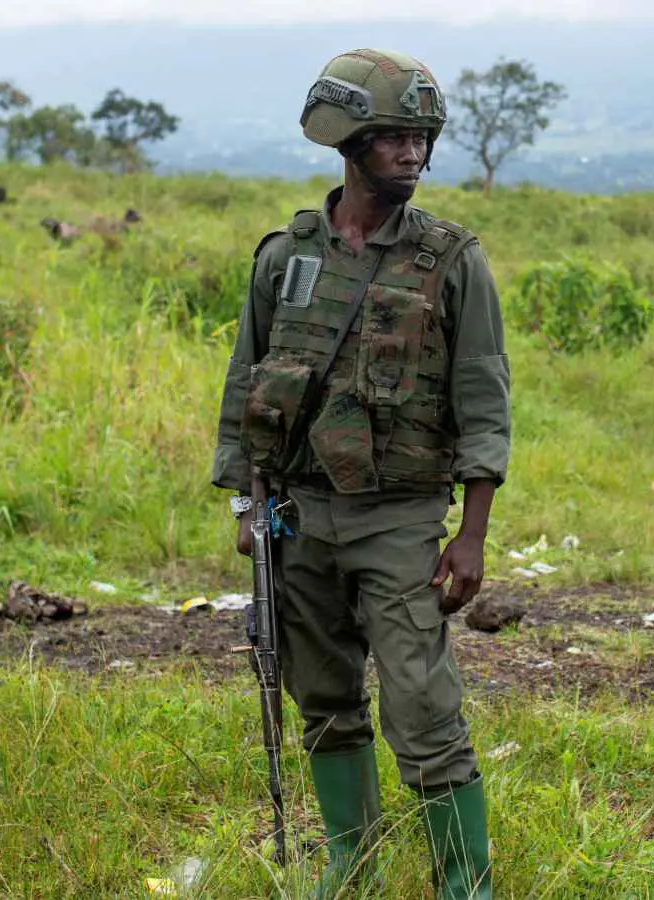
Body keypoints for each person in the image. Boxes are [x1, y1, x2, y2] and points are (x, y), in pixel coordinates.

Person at [212, 48, 509, 900]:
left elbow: (483, 401)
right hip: (298, 514)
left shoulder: (451, 259)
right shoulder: (286, 257)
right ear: (348, 142)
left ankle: (464, 884)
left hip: (400, 518)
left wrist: (471, 535)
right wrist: (248, 504)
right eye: (393, 138)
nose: (413, 153)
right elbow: (246, 378)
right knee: (323, 698)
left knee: (423, 707)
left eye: (422, 139)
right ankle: (354, 868)